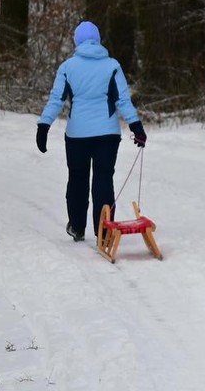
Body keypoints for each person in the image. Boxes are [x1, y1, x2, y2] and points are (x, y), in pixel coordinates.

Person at [35, 21, 146, 242]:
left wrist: (44, 125)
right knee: (103, 179)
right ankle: (104, 231)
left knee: (77, 178)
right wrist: (136, 126)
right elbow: (123, 100)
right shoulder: (112, 65)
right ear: (98, 40)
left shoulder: (68, 67)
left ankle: (76, 226)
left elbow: (56, 100)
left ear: (77, 41)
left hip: (77, 136)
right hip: (108, 134)